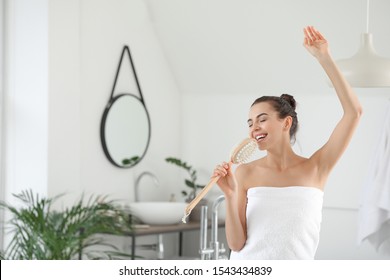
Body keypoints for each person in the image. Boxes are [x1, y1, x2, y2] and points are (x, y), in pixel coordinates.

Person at [212, 26, 363, 260]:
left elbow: (354, 112)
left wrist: (324, 57)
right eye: (250, 123)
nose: (254, 128)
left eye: (262, 119)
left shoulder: (316, 168)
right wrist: (231, 196)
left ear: (286, 123)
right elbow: (236, 243)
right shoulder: (245, 173)